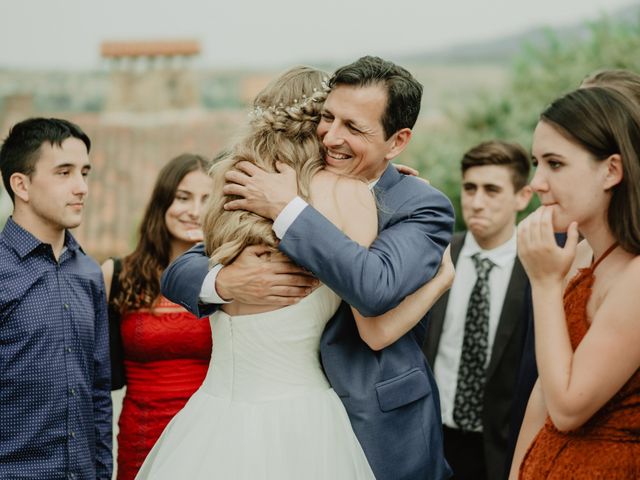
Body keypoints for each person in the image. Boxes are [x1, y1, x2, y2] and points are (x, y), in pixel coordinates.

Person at [155, 58, 455, 480]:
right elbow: (181, 269)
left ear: (397, 141)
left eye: (354, 127)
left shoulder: (419, 203)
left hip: (375, 418)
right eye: (327, 118)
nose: (331, 136)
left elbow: (374, 290)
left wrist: (288, 209)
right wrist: (223, 281)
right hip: (275, 415)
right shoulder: (271, 183)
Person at [504, 68, 640, 478]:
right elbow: (545, 391)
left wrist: (544, 284)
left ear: (611, 170)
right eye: (536, 163)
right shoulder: (579, 257)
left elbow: (567, 409)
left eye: (555, 164)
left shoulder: (635, 275)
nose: (537, 183)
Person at [0, 117, 112, 479]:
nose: (81, 187)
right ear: (22, 184)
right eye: (64, 173)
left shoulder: (89, 274)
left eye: (85, 172)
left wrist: (101, 471)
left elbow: (98, 391)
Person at [423, 140, 532, 480]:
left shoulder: (537, 268)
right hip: (430, 438)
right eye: (470, 188)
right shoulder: (434, 256)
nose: (477, 202)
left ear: (522, 197)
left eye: (492, 190)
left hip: (500, 448)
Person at [101, 153, 213, 480]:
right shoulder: (118, 274)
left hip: (209, 432)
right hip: (142, 433)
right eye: (183, 197)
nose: (195, 211)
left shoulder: (228, 276)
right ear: (162, 203)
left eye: (207, 199)